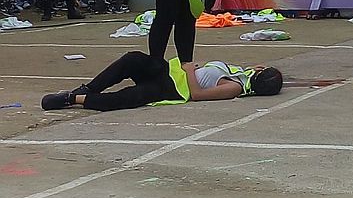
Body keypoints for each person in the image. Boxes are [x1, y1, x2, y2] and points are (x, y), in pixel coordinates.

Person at [40, 51, 283, 111]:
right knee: (133, 59)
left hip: (173, 88)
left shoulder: (235, 88)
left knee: (129, 98)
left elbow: (197, 95)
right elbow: (256, 69)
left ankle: (73, 99)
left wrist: (189, 70)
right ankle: (87, 88)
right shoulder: (245, 75)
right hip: (168, 70)